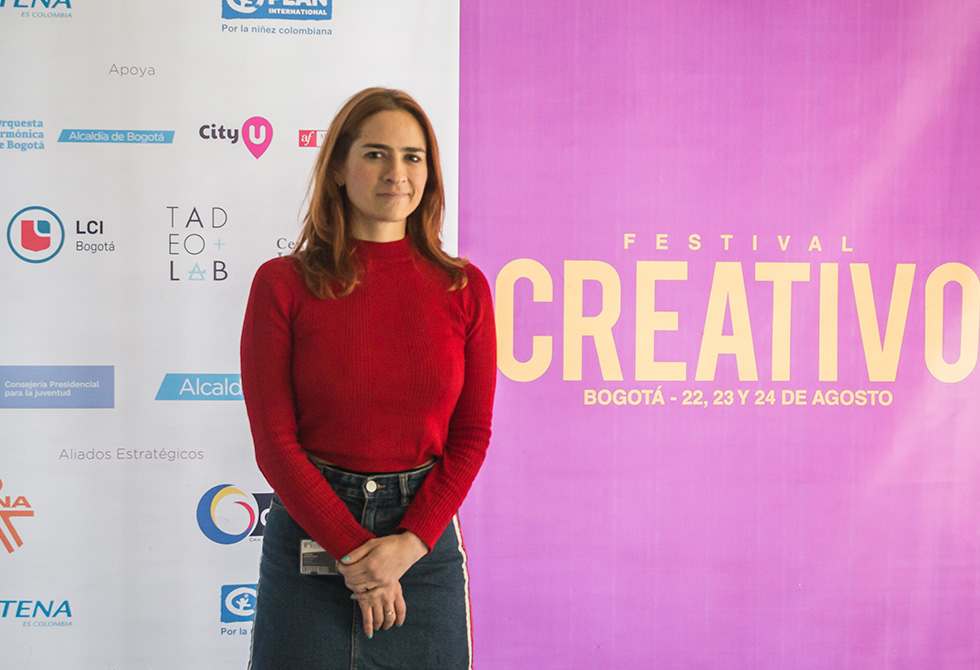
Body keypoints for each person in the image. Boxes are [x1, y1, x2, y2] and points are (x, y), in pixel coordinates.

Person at [240, 87, 496, 669]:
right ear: (337, 168)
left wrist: (406, 546)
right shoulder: (282, 284)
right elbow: (274, 443)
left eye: (413, 156)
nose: (396, 173)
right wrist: (358, 555)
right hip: (311, 538)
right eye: (376, 153)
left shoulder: (465, 289)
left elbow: (471, 436)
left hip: (421, 549)